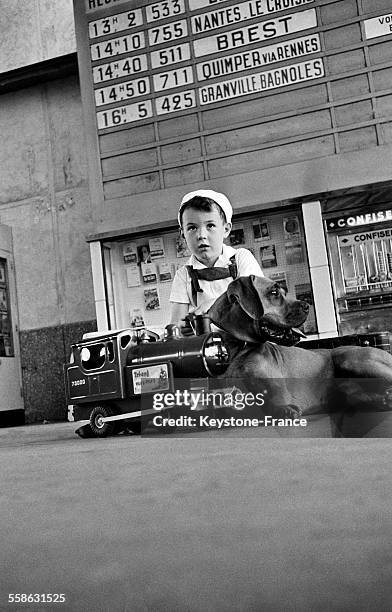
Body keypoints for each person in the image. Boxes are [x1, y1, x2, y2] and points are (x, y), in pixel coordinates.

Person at [170, 189, 263, 333]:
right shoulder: (183, 276)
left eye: (210, 226)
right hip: (208, 349)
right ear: (183, 234)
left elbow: (253, 299)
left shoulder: (241, 258)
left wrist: (210, 306)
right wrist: (184, 328)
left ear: (226, 229)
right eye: (192, 228)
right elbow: (177, 328)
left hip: (249, 347)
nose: (201, 235)